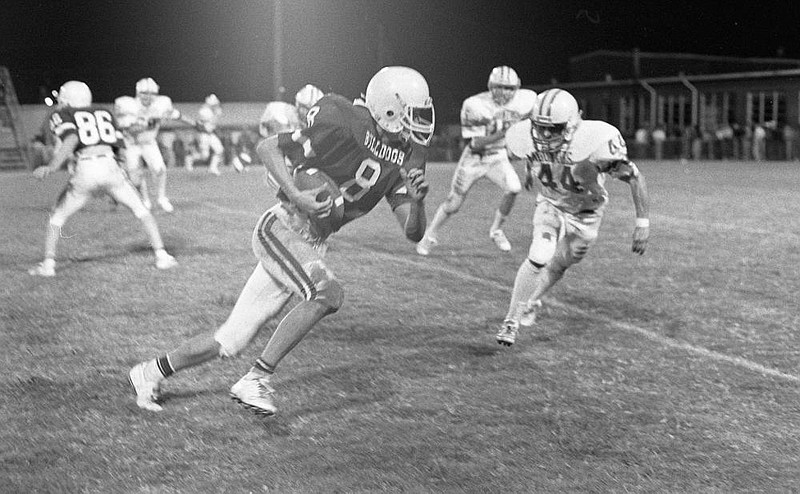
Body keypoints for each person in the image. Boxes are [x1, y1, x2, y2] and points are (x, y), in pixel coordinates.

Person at [128, 66, 434, 415]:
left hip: (312, 240)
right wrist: (296, 195)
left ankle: (149, 371)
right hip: (285, 226)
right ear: (388, 107)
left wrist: (419, 201)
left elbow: (413, 232)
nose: (417, 123)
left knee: (230, 339)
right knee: (328, 293)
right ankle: (256, 379)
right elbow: (269, 147)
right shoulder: (345, 118)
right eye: (412, 114)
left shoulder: (402, 155)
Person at [496, 88, 650, 346]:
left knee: (559, 265)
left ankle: (532, 300)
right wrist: (528, 172)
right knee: (539, 255)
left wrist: (642, 224)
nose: (545, 136)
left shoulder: (595, 143)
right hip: (551, 204)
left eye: (553, 129)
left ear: (572, 124)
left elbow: (634, 177)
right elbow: (531, 155)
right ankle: (511, 320)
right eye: (540, 128)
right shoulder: (529, 137)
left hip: (587, 213)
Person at [28, 81, 178, 277]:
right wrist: (122, 173)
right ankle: (162, 256)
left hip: (86, 167)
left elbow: (71, 139)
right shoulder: (104, 112)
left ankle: (48, 265)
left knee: (57, 216)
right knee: (142, 210)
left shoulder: (62, 114)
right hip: (110, 165)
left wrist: (52, 166)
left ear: (67, 99)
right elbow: (120, 146)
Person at [416, 66, 536, 255]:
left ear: (517, 88)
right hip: (474, 159)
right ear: (490, 86)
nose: (504, 92)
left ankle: (496, 230)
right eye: (499, 87)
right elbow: (477, 143)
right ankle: (430, 235)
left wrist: (529, 164)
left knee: (514, 188)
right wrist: (506, 132)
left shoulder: (526, 100)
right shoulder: (476, 105)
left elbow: (531, 132)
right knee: (453, 204)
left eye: (509, 88)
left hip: (498, 157)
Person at [114, 78, 180, 212]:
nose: (148, 97)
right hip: (131, 144)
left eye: (152, 94)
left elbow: (176, 115)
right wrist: (146, 124)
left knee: (160, 169)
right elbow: (128, 130)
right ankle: (144, 199)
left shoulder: (161, 104)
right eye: (145, 93)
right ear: (138, 93)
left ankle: (162, 198)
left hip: (149, 142)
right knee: (135, 177)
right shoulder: (128, 105)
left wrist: (195, 123)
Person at [259, 84, 325, 186]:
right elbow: (272, 140)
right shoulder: (286, 116)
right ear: (298, 105)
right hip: (289, 164)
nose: (308, 112)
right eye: (305, 108)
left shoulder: (321, 124)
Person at [185, 94, 232, 174]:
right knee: (204, 156)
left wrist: (216, 113)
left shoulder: (211, 110)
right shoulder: (203, 111)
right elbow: (210, 122)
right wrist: (217, 115)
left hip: (210, 134)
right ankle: (189, 158)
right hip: (203, 134)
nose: (216, 106)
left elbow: (213, 124)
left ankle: (212, 167)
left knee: (219, 150)